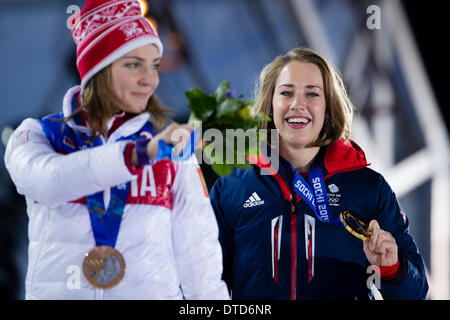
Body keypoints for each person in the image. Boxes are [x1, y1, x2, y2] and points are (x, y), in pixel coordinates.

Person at [4, 0, 229, 300]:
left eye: (154, 65)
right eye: (134, 64)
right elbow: (50, 181)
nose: (151, 79)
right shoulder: (37, 135)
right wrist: (139, 155)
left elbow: (199, 259)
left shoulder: (169, 150)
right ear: (99, 69)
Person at [210, 48, 428, 300]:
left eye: (312, 94)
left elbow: (415, 294)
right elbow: (205, 283)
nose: (297, 104)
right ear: (270, 104)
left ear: (328, 107)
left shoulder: (368, 187)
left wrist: (391, 268)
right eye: (286, 93)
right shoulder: (232, 188)